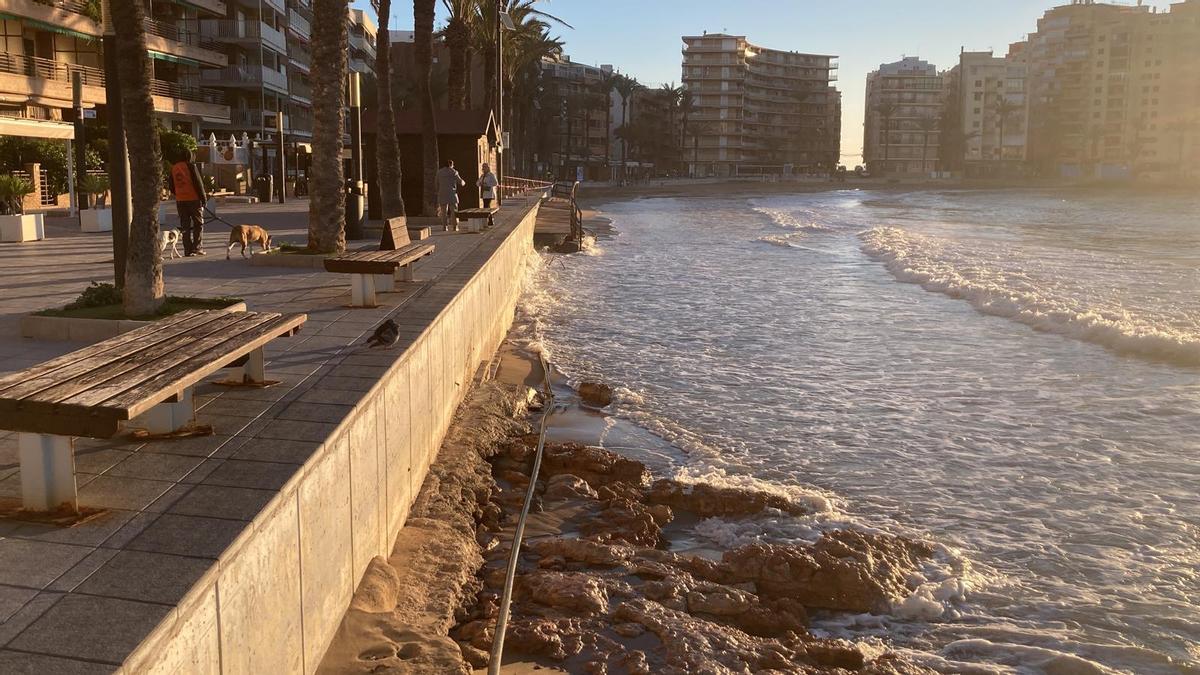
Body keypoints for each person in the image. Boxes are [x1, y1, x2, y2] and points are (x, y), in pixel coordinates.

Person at [168, 149, 208, 256]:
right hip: (193, 199)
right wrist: (203, 198)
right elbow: (198, 183)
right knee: (198, 224)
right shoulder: (191, 166)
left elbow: (171, 186)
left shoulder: (174, 168)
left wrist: (179, 194)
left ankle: (187, 250)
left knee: (185, 225)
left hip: (180, 200)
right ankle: (197, 248)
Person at [436, 159, 465, 231]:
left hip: (442, 193)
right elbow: (460, 182)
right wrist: (464, 182)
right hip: (452, 193)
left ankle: (444, 227)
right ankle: (455, 226)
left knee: (443, 211)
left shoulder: (439, 172)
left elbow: (436, 183)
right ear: (451, 165)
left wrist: (438, 191)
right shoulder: (454, 172)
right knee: (454, 211)